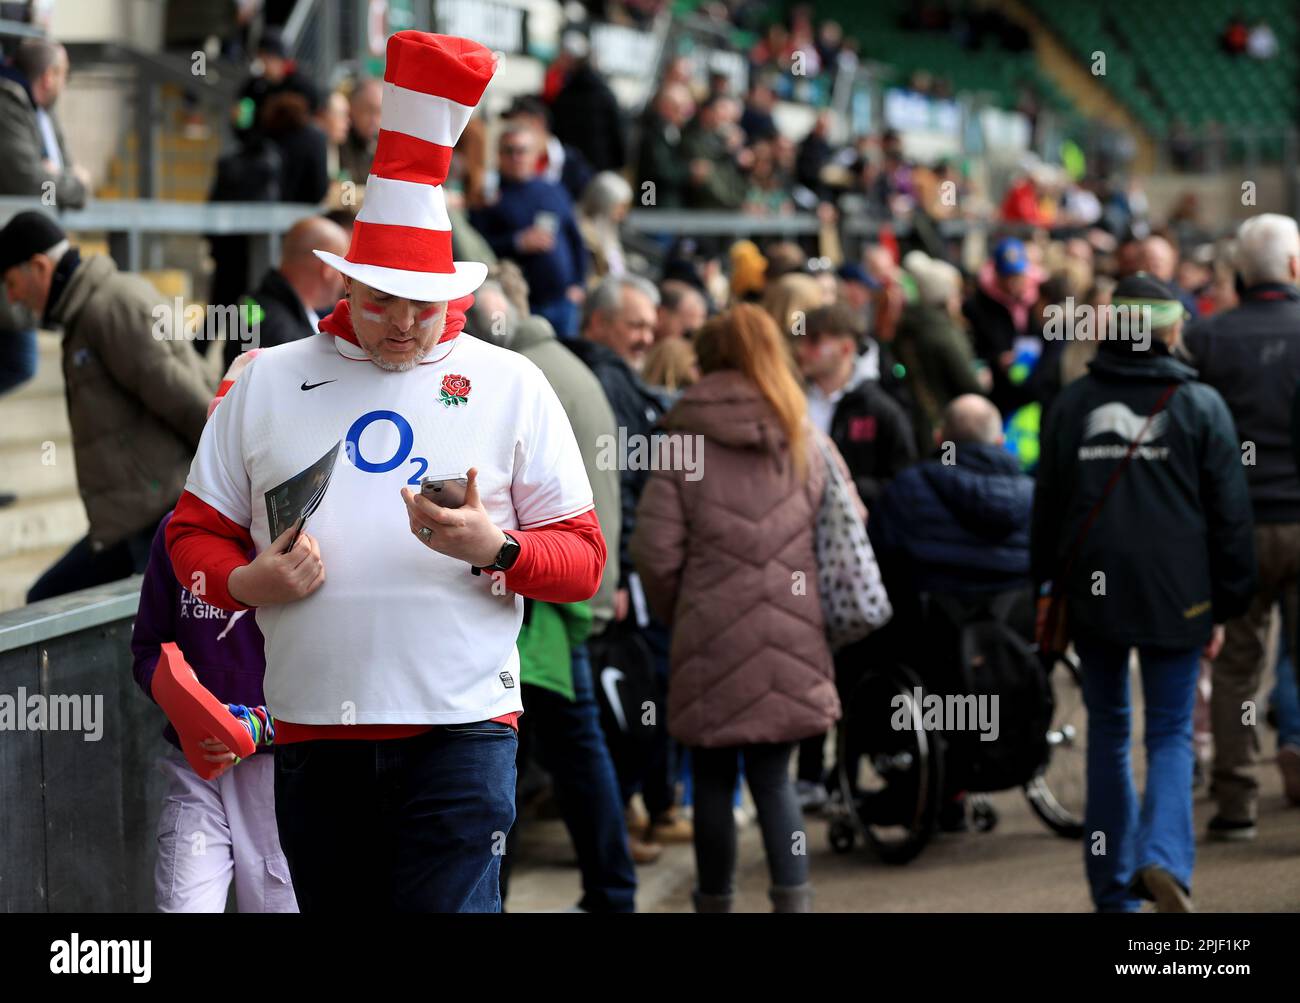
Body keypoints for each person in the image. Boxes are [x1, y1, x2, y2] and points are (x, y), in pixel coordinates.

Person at [165, 31, 605, 914]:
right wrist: (248, 580)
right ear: (344, 287)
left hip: (463, 733)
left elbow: (585, 558)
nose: (401, 324)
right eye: (378, 303)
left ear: (455, 297)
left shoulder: (512, 382)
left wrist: (502, 546)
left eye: (421, 306)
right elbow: (192, 532)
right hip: (313, 735)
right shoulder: (267, 380)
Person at [1031, 274, 1256, 912]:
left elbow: (1046, 508)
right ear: (1169, 329)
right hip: (1178, 593)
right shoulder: (1201, 405)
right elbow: (1230, 518)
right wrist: (1228, 603)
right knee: (1169, 733)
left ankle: (1113, 891)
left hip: (1094, 590)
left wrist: (1046, 591)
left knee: (1108, 730)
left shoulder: (1072, 404)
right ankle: (1163, 860)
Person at [631, 303, 849, 913]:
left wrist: (685, 612)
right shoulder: (801, 431)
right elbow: (839, 526)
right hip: (794, 630)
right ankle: (793, 904)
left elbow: (654, 552)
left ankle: (715, 904)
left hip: (709, 634)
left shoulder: (680, 439)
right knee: (775, 779)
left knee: (713, 779)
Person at [465, 280, 638, 911]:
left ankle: (609, 892)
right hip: (565, 598)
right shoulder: (565, 367)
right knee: (550, 756)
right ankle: (607, 891)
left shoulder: (522, 378)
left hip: (549, 607)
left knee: (541, 758)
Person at [130, 353, 298, 913]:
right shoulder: (174, 534)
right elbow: (148, 647)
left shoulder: (308, 540)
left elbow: (348, 671)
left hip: (282, 774)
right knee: (182, 903)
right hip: (195, 766)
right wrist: (184, 708)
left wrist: (260, 725)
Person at [0, 211, 212, 602]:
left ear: (39, 267)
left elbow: (191, 404)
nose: (12, 297)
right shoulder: (91, 308)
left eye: (12, 283)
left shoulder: (108, 307)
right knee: (47, 601)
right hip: (135, 520)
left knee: (47, 606)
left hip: (156, 519)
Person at [1182, 214, 1300, 840]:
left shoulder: (1207, 339)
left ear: (1238, 274)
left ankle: (1237, 804)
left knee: (1235, 669)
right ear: (1295, 268)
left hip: (1237, 529)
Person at [0, 37, 88, 411]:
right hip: (12, 259)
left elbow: (65, 175)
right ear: (49, 77)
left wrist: (67, 181)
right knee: (20, 360)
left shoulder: (41, 110)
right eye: (64, 75)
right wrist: (72, 184)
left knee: (20, 362)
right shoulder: (7, 103)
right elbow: (30, 180)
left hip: (23, 260)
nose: (65, 85)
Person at [470, 123, 588, 339]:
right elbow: (477, 249)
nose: (516, 156)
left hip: (563, 300)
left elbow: (575, 238)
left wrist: (579, 284)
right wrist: (517, 242)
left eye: (521, 150)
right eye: (509, 151)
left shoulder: (553, 189)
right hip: (522, 303)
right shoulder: (488, 197)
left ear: (534, 155)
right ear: (499, 155)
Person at [797, 303, 916, 508]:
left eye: (814, 341)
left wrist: (848, 489)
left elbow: (903, 482)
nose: (801, 350)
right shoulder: (791, 401)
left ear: (846, 348)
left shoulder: (881, 411)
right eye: (801, 339)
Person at [223, 215, 349, 369]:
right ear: (328, 270)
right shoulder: (278, 329)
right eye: (343, 267)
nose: (346, 278)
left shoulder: (263, 306)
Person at [894, 250, 985, 455]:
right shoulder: (944, 333)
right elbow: (969, 382)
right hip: (947, 423)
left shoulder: (909, 325)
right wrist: (981, 380)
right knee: (947, 469)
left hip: (920, 418)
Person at [963, 237, 1041, 416]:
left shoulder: (1039, 299)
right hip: (998, 393)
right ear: (996, 273)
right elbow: (972, 349)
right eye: (1008, 276)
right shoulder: (977, 305)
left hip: (1033, 387)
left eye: (1018, 276)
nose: (1013, 282)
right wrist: (996, 360)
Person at [548, 40, 626, 174]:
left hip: (570, 164)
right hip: (600, 163)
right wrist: (620, 162)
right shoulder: (605, 93)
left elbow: (555, 127)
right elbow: (618, 130)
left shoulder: (566, 92)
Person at [504, 95, 593, 203]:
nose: (514, 135)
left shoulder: (574, 164)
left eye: (519, 127)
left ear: (538, 123)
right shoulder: (509, 164)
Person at [577, 171, 632, 283]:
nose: (622, 214)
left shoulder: (609, 231)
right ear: (603, 203)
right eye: (619, 207)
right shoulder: (584, 233)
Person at [338, 78, 382, 184]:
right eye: (369, 110)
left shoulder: (382, 146)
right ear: (352, 108)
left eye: (379, 112)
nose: (374, 120)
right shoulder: (339, 140)